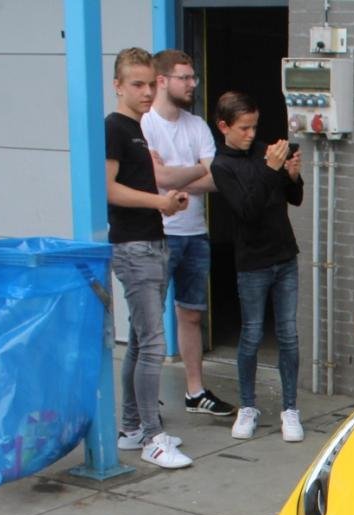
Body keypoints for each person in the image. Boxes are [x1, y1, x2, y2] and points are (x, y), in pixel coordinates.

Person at [106, 47, 192, 469]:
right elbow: (109, 189)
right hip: (134, 247)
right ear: (118, 86)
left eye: (149, 84)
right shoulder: (115, 128)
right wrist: (159, 202)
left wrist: (165, 203)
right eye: (136, 84)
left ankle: (132, 427)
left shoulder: (137, 130)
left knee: (142, 342)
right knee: (154, 344)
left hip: (151, 242)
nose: (145, 92)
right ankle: (152, 438)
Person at [140, 49, 236, 419]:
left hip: (195, 233)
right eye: (185, 78)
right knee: (148, 322)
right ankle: (145, 401)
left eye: (193, 77)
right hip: (159, 233)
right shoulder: (146, 124)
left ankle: (195, 392)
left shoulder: (196, 125)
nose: (192, 84)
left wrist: (174, 175)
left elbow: (217, 178)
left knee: (192, 315)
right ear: (162, 80)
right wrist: (195, 169)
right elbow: (156, 178)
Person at [208, 91, 305, 442]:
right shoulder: (222, 166)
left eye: (254, 126)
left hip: (284, 255)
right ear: (224, 127)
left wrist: (292, 175)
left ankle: (290, 408)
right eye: (244, 128)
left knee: (288, 334)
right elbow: (247, 210)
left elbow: (294, 198)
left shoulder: (266, 152)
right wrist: (271, 169)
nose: (251, 134)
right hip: (252, 262)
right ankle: (248, 406)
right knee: (250, 334)